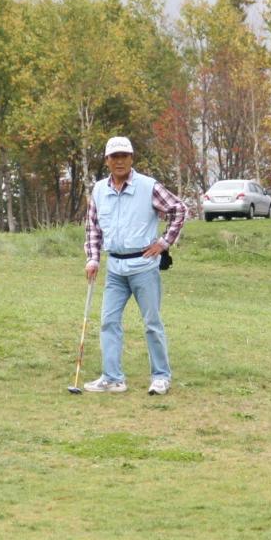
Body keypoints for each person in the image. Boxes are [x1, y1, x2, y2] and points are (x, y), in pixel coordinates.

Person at [82, 136, 188, 395]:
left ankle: (161, 376)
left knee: (152, 322)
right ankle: (112, 378)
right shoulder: (98, 190)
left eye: (124, 156)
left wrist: (163, 243)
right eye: (114, 157)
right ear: (107, 160)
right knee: (108, 321)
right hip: (115, 268)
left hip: (144, 266)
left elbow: (179, 209)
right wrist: (93, 258)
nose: (119, 161)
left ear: (132, 158)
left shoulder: (148, 186)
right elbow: (93, 228)